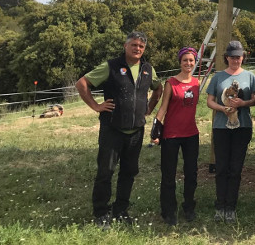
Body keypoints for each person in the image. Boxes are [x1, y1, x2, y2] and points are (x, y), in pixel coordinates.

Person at [75, 31, 162, 229]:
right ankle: (101, 213)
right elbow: (82, 84)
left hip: (136, 131)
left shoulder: (148, 69)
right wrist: (96, 106)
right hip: (112, 130)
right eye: (134, 45)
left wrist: (148, 108)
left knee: (129, 172)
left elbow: (158, 89)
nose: (137, 48)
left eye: (141, 46)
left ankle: (121, 210)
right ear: (125, 46)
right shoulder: (111, 66)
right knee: (106, 172)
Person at [206, 40, 255, 224]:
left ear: (243, 57)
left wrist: (243, 104)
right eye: (232, 57)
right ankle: (220, 205)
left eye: (239, 57)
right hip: (221, 127)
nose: (236, 60)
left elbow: (254, 100)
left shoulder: (250, 76)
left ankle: (231, 207)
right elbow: (209, 101)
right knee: (221, 168)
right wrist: (221, 108)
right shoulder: (218, 77)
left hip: (242, 126)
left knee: (235, 169)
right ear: (226, 57)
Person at [151, 47, 201, 226]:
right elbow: (163, 107)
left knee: (191, 173)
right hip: (171, 135)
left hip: (191, 134)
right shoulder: (170, 83)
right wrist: (156, 129)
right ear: (180, 62)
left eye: (191, 60)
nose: (188, 63)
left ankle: (189, 207)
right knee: (169, 174)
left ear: (195, 62)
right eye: (185, 60)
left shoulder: (197, 82)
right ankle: (169, 211)